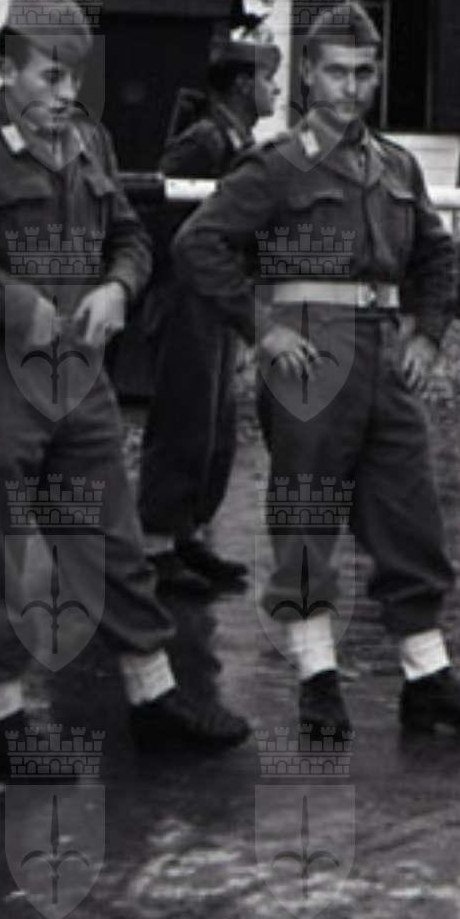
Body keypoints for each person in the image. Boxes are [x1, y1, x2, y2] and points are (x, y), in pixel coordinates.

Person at [0, 0, 250, 783]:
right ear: (6, 67)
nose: (65, 94)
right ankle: (1, 725)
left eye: (75, 78)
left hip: (77, 376)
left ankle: (153, 698)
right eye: (48, 76)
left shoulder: (90, 143)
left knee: (111, 538)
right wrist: (14, 302)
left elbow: (130, 235)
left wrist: (119, 286)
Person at [172, 1, 460, 743]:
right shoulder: (276, 165)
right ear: (307, 75)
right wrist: (261, 330)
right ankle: (317, 678)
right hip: (309, 356)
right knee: (305, 515)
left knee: (410, 513)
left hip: (383, 358)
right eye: (336, 72)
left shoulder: (395, 165)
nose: (351, 88)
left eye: (364, 73)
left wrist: (428, 334)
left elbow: (434, 253)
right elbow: (199, 244)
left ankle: (427, 679)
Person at [136, 33, 282, 597]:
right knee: (183, 418)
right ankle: (156, 544)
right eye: (268, 79)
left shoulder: (238, 140)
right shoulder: (204, 140)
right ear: (243, 85)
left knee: (215, 425)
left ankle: (187, 533)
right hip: (186, 295)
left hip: (218, 297)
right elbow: (157, 209)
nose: (275, 91)